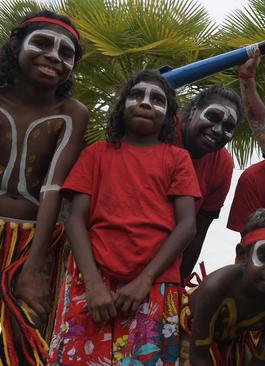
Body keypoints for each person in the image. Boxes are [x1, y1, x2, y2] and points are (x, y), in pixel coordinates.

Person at [47, 70, 201, 365]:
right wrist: (92, 284)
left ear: (169, 115)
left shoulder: (177, 159)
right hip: (93, 279)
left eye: (157, 99)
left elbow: (187, 226)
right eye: (137, 95)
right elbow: (76, 220)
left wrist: (145, 279)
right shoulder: (96, 154)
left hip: (154, 283)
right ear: (121, 107)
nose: (146, 103)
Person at [0, 11, 88, 365]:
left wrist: (34, 267)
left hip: (33, 243)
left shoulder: (72, 112)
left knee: (26, 337)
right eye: (42, 43)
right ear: (16, 45)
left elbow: (53, 187)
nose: (53, 56)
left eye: (65, 53)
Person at [186, 206, 265, 366]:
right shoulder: (217, 288)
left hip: (233, 345)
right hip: (189, 336)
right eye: (264, 255)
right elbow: (198, 356)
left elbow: (260, 360)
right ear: (242, 255)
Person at [177, 84, 241, 280]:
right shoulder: (160, 131)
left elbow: (198, 232)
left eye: (228, 127)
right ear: (193, 110)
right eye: (213, 117)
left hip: (167, 265)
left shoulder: (222, 164)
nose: (217, 130)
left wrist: (179, 283)